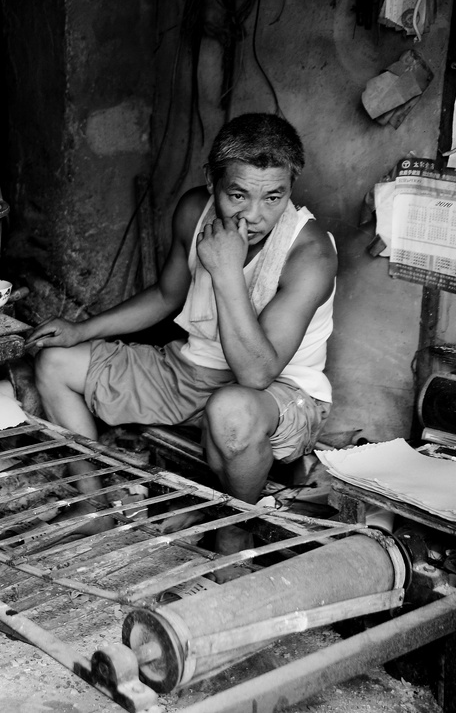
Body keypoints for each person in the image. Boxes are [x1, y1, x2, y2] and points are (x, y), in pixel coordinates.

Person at [26, 112, 337, 559]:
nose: (255, 214)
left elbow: (255, 374)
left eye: (274, 197)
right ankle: (94, 506)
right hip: (192, 371)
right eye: (238, 195)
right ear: (211, 181)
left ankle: (236, 533)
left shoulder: (310, 253)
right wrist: (81, 329)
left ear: (292, 184)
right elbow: (167, 294)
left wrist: (227, 268)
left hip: (280, 394)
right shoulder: (195, 211)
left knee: (231, 409)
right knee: (54, 363)